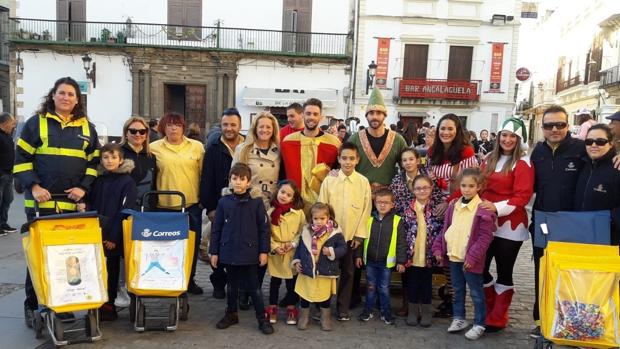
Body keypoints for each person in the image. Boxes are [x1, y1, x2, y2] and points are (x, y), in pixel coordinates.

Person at [14, 77, 99, 326]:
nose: (66, 98)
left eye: (71, 94)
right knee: (38, 258)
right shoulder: (36, 123)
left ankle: (62, 304)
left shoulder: (87, 128)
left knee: (68, 258)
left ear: (77, 100)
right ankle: (33, 305)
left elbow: (94, 163)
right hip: (41, 205)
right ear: (53, 95)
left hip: (72, 206)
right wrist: (34, 186)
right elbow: (21, 159)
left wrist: (83, 188)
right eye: (61, 93)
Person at [528, 105, 586, 337]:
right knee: (542, 272)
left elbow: (605, 155)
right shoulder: (538, 152)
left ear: (567, 125)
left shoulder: (582, 148)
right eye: (549, 125)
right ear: (542, 128)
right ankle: (541, 319)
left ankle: (570, 323)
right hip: (542, 221)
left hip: (573, 222)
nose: (555, 129)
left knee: (571, 274)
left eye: (560, 125)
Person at [479, 118, 534, 332]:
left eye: (513, 136)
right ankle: (491, 307)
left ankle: (499, 316)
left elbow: (522, 196)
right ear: (498, 136)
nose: (507, 140)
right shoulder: (489, 159)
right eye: (504, 135)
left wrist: (495, 207)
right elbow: (479, 185)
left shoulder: (523, 163)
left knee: (504, 270)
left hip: (510, 224)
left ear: (519, 139)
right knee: (481, 267)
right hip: (486, 222)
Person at [209, 163, 273, 335]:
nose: (238, 182)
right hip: (228, 251)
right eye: (234, 179)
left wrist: (263, 251)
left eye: (242, 179)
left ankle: (262, 318)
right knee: (231, 286)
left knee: (254, 288)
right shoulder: (223, 202)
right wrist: (214, 252)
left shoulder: (257, 203)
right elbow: (217, 228)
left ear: (248, 181)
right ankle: (231, 314)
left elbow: (264, 229)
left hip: (250, 252)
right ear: (230, 180)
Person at [432, 168, 496, 340]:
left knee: (476, 292)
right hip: (454, 256)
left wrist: (473, 257)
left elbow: (484, 237)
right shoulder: (454, 206)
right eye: (463, 185)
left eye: (471, 186)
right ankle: (459, 317)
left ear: (479, 187)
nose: (466, 189)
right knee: (457, 289)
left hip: (470, 261)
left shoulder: (483, 209)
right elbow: (447, 230)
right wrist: (439, 248)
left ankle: (479, 323)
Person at [426, 113, 478, 317]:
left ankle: (453, 298)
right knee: (437, 250)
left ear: (457, 132)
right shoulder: (433, 152)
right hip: (436, 204)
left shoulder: (466, 153)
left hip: (457, 207)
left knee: (453, 253)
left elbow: (470, 183)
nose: (446, 132)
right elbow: (430, 176)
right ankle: (444, 291)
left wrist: (447, 203)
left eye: (450, 129)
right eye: (442, 129)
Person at [150, 112, 205, 295]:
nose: (174, 128)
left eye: (178, 125)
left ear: (183, 127)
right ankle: (168, 279)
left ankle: (190, 279)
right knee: (167, 247)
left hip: (190, 206)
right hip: (164, 207)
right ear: (163, 127)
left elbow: (203, 174)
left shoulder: (196, 147)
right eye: (170, 125)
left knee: (191, 246)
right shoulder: (153, 148)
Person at [318, 142, 372, 321]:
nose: (347, 162)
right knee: (326, 271)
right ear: (339, 159)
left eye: (351, 158)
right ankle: (323, 305)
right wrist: (323, 232)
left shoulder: (363, 182)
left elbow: (366, 209)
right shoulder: (329, 180)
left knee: (348, 273)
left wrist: (359, 234)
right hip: (330, 236)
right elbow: (321, 205)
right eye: (344, 158)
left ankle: (343, 307)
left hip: (350, 237)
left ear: (357, 160)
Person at [389, 148, 444, 316]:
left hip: (427, 223)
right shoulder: (397, 180)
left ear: (417, 160)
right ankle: (408, 303)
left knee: (424, 272)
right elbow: (394, 202)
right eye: (404, 160)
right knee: (408, 268)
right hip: (406, 225)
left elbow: (437, 198)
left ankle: (424, 307)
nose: (408, 163)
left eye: (411, 159)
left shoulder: (428, 176)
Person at [87, 143, 137, 321]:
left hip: (114, 234)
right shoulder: (99, 179)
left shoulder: (127, 182)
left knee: (112, 270)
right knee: (96, 269)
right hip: (97, 231)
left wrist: (114, 237)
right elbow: (92, 204)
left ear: (121, 160)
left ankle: (110, 305)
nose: (110, 161)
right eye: (106, 158)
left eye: (114, 157)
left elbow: (125, 210)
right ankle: (97, 302)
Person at [199, 108, 244, 299]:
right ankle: (218, 281)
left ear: (240, 126)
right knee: (216, 246)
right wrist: (210, 208)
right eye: (226, 124)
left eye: (233, 124)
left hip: (242, 206)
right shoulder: (213, 148)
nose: (229, 128)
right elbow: (206, 179)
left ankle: (239, 286)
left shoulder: (247, 146)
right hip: (219, 206)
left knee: (239, 247)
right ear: (221, 125)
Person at [355, 188, 406, 325]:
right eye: (379, 202)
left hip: (386, 264)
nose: (382, 205)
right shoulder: (369, 219)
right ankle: (368, 311)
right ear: (374, 203)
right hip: (371, 261)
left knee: (384, 289)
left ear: (392, 204)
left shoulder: (397, 221)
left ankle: (386, 313)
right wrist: (358, 256)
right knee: (370, 287)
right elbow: (362, 238)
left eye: (386, 202)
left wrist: (401, 261)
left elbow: (401, 243)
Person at [292, 202, 347, 331]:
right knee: (305, 295)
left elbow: (343, 248)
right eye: (315, 218)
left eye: (322, 218)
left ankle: (325, 317)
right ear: (311, 218)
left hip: (324, 271)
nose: (319, 221)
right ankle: (304, 316)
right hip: (307, 270)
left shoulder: (335, 233)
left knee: (324, 297)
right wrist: (297, 261)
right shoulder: (306, 231)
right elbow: (300, 249)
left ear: (329, 217)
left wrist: (332, 252)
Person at [281, 98, 341, 210]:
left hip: (322, 206)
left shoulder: (334, 143)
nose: (311, 117)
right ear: (303, 115)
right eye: (308, 113)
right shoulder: (288, 142)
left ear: (321, 117)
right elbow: (282, 173)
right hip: (293, 203)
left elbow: (338, 172)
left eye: (315, 114)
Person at [401, 174, 443, 327]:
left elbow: (441, 232)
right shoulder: (407, 210)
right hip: (411, 256)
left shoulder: (437, 210)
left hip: (428, 256)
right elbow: (402, 234)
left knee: (426, 285)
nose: (422, 191)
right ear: (413, 190)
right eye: (418, 188)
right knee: (412, 285)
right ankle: (412, 311)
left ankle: (425, 312)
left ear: (431, 188)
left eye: (425, 187)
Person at [348, 87, 408, 193]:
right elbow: (344, 164)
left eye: (379, 113)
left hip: (388, 196)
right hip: (360, 193)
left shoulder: (397, 140)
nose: (375, 117)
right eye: (371, 113)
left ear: (384, 116)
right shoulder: (355, 139)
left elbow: (407, 166)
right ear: (366, 116)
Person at [266, 180, 305, 325]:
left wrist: (293, 243)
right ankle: (272, 307)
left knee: (291, 282)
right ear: (277, 191)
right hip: (276, 251)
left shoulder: (299, 213)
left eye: (288, 195)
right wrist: (274, 246)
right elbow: (266, 232)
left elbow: (303, 231)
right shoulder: (270, 211)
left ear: (293, 198)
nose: (284, 196)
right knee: (274, 281)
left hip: (291, 251)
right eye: (282, 192)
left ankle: (290, 308)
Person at [574, 124, 620, 244]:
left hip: (607, 239)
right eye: (589, 141)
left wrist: (607, 221)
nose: (593, 145)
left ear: (610, 144)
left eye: (600, 142)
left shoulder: (617, 168)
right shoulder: (583, 164)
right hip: (580, 233)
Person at [232, 112, 280, 210]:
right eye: (261, 127)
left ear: (273, 130)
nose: (265, 130)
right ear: (255, 129)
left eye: (268, 127)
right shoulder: (243, 150)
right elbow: (234, 177)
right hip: (248, 202)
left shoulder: (279, 151)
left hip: (272, 204)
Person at [119, 117, 157, 207]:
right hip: (122, 206)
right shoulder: (117, 153)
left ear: (146, 134)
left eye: (142, 131)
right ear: (126, 133)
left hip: (145, 207)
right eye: (133, 131)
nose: (137, 134)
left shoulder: (151, 157)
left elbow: (153, 183)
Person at [0, 112, 17, 235]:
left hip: (9, 174)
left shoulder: (8, 136)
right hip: (1, 174)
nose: (13, 126)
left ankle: (3, 223)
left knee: (8, 199)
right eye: (12, 123)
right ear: (5, 123)